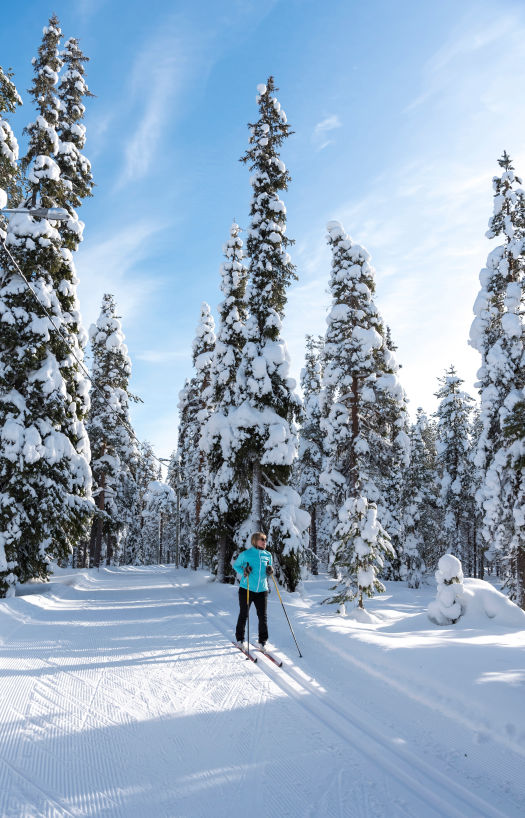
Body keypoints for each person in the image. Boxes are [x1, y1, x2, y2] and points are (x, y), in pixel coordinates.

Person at [233, 532, 274, 651]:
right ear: (255, 541)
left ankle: (262, 642)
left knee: (263, 617)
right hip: (247, 589)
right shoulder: (246, 554)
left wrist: (270, 571)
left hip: (262, 590)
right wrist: (244, 571)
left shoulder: (268, 555)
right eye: (262, 539)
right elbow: (236, 566)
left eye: (265, 540)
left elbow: (268, 570)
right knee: (244, 614)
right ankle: (240, 639)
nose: (264, 542)